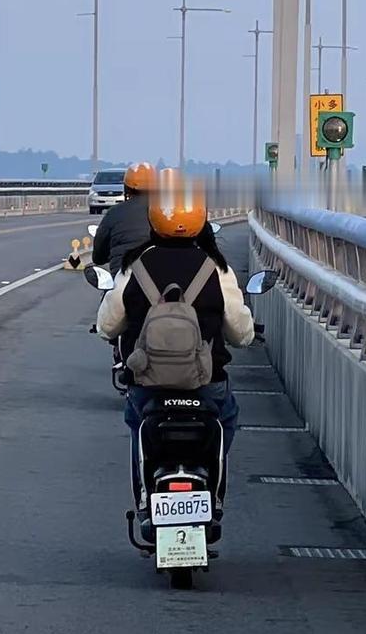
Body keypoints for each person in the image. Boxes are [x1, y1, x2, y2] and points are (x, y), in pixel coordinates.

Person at [97, 174, 255, 473]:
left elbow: (107, 327)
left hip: (146, 383)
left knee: (137, 423)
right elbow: (241, 334)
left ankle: (145, 487)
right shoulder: (217, 268)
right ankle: (212, 480)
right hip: (206, 382)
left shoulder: (134, 266)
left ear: (153, 218)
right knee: (226, 418)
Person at [89, 161, 156, 272]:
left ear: (126, 187)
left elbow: (98, 257)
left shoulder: (114, 212)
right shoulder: (164, 213)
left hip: (121, 275)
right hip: (156, 275)